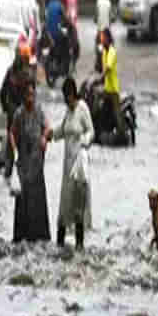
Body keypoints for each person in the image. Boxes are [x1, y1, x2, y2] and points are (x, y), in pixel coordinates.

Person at [10, 80, 53, 242]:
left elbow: (47, 128)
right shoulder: (19, 114)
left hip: (36, 166)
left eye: (32, 95)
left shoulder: (39, 111)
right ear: (23, 96)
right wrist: (14, 151)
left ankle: (40, 237)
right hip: (23, 165)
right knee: (23, 203)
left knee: (38, 203)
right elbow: (12, 133)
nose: (30, 98)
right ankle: (21, 237)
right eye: (28, 95)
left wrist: (44, 137)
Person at [56, 76, 94, 249]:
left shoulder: (82, 108)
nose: (68, 103)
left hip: (79, 165)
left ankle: (79, 245)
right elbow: (62, 130)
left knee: (78, 204)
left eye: (69, 98)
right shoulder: (68, 111)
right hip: (67, 165)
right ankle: (59, 245)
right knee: (64, 205)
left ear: (73, 94)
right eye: (65, 99)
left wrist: (84, 142)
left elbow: (91, 131)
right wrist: (49, 134)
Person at [0, 44, 33, 180]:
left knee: (12, 141)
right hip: (22, 113)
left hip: (13, 112)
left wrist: (6, 108)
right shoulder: (29, 75)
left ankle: (9, 168)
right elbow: (32, 97)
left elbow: (2, 93)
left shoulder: (11, 72)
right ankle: (21, 168)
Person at [97, 29, 125, 139]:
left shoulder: (112, 51)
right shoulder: (104, 51)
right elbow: (101, 67)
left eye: (103, 38)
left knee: (117, 114)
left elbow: (108, 68)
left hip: (113, 89)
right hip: (106, 88)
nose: (101, 40)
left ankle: (122, 134)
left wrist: (101, 77)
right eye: (101, 38)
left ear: (108, 39)